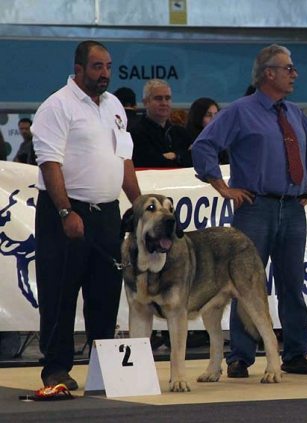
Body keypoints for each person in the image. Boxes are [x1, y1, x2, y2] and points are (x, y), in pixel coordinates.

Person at [192, 44, 307, 377]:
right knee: (243, 283)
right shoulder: (240, 111)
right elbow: (203, 145)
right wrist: (221, 186)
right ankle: (241, 355)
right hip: (256, 206)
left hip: (292, 207)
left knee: (293, 282)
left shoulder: (294, 113)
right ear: (269, 73)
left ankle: (295, 353)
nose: (294, 74)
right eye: (288, 69)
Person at [31, 40, 141, 390]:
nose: (104, 73)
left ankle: (103, 367)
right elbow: (50, 162)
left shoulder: (114, 107)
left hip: (108, 214)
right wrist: (65, 211)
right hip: (65, 212)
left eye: (108, 66)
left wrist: (138, 207)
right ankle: (56, 369)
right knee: (60, 293)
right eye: (97, 67)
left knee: (105, 293)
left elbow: (124, 161)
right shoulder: (56, 106)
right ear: (79, 69)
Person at [129, 79, 193, 168]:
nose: (164, 103)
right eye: (158, 98)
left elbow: (195, 158)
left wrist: (175, 155)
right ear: (145, 102)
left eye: (168, 98)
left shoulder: (180, 132)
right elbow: (149, 162)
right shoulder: (135, 133)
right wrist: (182, 156)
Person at [186, 97, 228, 164]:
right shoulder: (185, 138)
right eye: (208, 115)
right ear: (198, 117)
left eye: (216, 114)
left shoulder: (223, 138)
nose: (214, 119)